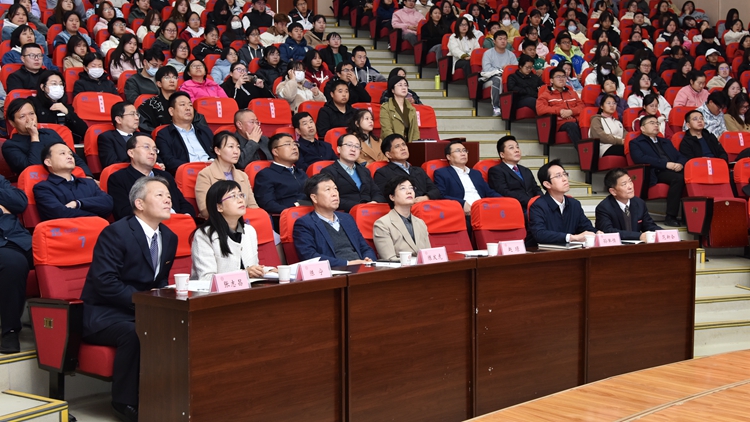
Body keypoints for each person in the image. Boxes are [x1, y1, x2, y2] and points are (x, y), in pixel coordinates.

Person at [80, 176, 178, 422]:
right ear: (139, 203)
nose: (167, 200)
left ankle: (166, 395)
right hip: (106, 313)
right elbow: (105, 282)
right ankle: (124, 402)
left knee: (178, 326)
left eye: (168, 195)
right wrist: (145, 303)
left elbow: (159, 281)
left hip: (141, 309)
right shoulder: (116, 233)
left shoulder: (170, 237)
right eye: (159, 195)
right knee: (134, 333)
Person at [293, 172, 376, 266]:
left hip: (363, 267)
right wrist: (347, 264)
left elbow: (365, 247)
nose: (334, 193)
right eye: (328, 189)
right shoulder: (305, 224)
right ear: (314, 198)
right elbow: (310, 256)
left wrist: (368, 259)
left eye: (335, 189)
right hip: (335, 271)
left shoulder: (347, 218)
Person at [191, 180, 266, 281]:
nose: (241, 200)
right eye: (233, 196)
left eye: (241, 195)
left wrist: (270, 271)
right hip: (211, 291)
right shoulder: (204, 235)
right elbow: (206, 278)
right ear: (219, 207)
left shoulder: (249, 231)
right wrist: (244, 274)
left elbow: (252, 269)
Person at [107, 134, 194, 220]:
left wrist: (185, 217)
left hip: (177, 222)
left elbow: (183, 204)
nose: (152, 152)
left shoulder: (166, 176)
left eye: (155, 149)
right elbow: (123, 212)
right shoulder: (118, 178)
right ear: (131, 153)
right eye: (146, 147)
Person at [2, 99, 92, 176]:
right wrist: (34, 137)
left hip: (68, 179)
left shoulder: (49, 133)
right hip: (41, 185)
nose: (29, 119)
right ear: (12, 123)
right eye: (22, 117)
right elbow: (33, 171)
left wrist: (88, 176)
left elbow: (73, 157)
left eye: (32, 114)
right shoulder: (10, 146)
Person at [629, 114, 686, 226]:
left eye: (657, 123)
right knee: (678, 178)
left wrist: (680, 164)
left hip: (673, 169)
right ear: (642, 128)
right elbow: (640, 158)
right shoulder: (636, 142)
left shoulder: (665, 141)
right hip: (655, 172)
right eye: (652, 123)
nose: (656, 125)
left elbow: (680, 156)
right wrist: (665, 164)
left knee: (691, 177)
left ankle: (689, 216)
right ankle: (670, 217)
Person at [33, 143, 113, 221]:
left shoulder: (89, 183)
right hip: (65, 229)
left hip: (97, 228)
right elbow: (59, 213)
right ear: (48, 162)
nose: (69, 157)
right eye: (62, 153)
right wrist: (96, 215)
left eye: (71, 154)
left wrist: (78, 203)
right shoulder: (43, 188)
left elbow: (108, 203)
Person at [528, 159, 598, 244]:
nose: (565, 179)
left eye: (565, 174)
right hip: (544, 250)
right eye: (558, 176)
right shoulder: (538, 206)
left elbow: (586, 228)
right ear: (547, 184)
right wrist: (571, 237)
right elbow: (540, 234)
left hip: (570, 249)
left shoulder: (574, 204)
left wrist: (597, 233)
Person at [194, 131, 259, 219]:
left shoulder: (243, 175)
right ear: (217, 150)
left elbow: (253, 206)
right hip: (219, 222)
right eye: (231, 147)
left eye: (238, 147)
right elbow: (205, 210)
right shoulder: (205, 175)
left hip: (244, 221)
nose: (236, 151)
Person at [0, 174, 31, 354]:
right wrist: (3, 209)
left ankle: (73, 321)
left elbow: (20, 202)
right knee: (14, 264)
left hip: (20, 239)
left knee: (59, 254)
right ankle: (10, 332)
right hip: (3, 247)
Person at [373, 174, 431, 261]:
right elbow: (389, 259)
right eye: (403, 188)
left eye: (411, 188)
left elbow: (429, 255)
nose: (409, 192)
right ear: (392, 197)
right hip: (399, 268)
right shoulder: (382, 224)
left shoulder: (421, 223)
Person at [321, 134, 385, 212]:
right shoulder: (328, 171)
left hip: (370, 211)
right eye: (349, 145)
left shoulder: (365, 171)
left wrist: (374, 202)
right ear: (339, 149)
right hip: (346, 213)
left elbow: (377, 192)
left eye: (357, 146)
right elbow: (330, 197)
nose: (353, 149)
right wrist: (359, 207)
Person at [154, 91, 216, 173]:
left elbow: (218, 152)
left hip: (213, 171)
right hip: (188, 173)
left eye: (190, 105)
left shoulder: (205, 131)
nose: (188, 108)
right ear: (171, 111)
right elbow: (168, 161)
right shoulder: (164, 134)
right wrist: (193, 167)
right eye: (182, 105)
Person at [434, 140, 501, 214]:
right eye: (458, 151)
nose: (463, 154)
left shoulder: (476, 173)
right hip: (462, 212)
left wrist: (505, 200)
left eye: (464, 150)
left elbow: (489, 192)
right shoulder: (442, 173)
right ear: (449, 157)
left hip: (484, 209)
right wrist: (462, 203)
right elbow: (441, 195)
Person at [595, 168, 661, 241]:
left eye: (630, 181)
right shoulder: (604, 208)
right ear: (613, 191)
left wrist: (663, 233)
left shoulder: (639, 203)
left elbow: (649, 225)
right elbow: (608, 231)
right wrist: (639, 236)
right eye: (624, 184)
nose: (630, 187)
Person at [373, 133, 441, 202]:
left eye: (404, 144)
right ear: (388, 154)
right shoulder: (383, 173)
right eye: (397, 146)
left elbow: (436, 190)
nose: (403, 148)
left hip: (425, 204)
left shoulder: (419, 170)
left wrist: (426, 197)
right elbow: (384, 197)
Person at [253, 133, 309, 215]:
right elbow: (268, 204)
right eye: (288, 144)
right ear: (275, 152)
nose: (294, 147)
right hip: (286, 216)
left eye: (295, 144)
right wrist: (292, 211)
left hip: (309, 214)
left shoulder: (301, 173)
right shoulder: (266, 175)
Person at [29, 70, 88, 144]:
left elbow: (84, 131)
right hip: (41, 143)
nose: (58, 87)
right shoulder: (32, 103)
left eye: (60, 84)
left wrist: (67, 113)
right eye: (54, 84)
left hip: (64, 145)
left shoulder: (65, 107)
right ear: (42, 87)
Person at [487, 135, 542, 210]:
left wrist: (541, 200)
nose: (517, 150)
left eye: (517, 147)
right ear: (502, 154)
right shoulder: (496, 171)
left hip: (535, 207)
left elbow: (536, 189)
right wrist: (530, 201)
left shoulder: (526, 170)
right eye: (511, 148)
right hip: (515, 208)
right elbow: (504, 192)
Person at [536, 66, 584, 147]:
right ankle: (583, 152)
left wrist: (571, 112)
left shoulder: (572, 93)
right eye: (558, 77)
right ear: (551, 80)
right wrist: (560, 111)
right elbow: (540, 109)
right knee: (572, 125)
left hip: (576, 120)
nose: (561, 79)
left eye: (563, 77)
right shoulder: (545, 95)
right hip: (559, 123)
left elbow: (582, 106)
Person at [98, 102, 147, 168]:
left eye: (137, 114)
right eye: (132, 114)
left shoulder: (145, 137)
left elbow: (157, 159)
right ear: (118, 120)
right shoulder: (107, 138)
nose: (137, 118)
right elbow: (111, 164)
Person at [482, 30, 518, 117]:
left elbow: (515, 69)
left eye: (505, 39)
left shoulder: (511, 55)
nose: (503, 41)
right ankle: (496, 107)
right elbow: (487, 70)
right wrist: (502, 70)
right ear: (494, 41)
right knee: (497, 80)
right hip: (488, 79)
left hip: (507, 79)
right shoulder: (488, 53)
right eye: (500, 39)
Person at [380, 76, 420, 141]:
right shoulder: (385, 107)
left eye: (405, 85)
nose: (404, 88)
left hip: (408, 145)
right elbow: (387, 131)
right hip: (391, 144)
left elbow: (415, 132)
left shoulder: (412, 109)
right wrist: (398, 144)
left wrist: (414, 145)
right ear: (393, 90)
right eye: (400, 85)